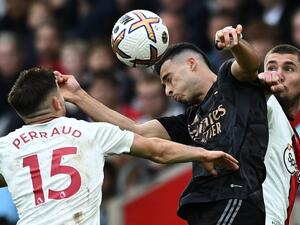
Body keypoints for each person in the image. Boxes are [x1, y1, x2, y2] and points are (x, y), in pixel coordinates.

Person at [56, 24, 268, 225]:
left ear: (191, 64)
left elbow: (249, 66)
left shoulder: (230, 83)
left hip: (236, 196)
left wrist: (236, 44)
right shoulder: (190, 119)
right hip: (203, 206)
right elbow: (134, 130)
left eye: (169, 78)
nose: (167, 91)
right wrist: (78, 96)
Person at [0, 67, 238, 225]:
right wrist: (200, 153)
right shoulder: (89, 132)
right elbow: (158, 150)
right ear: (56, 101)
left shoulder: (7, 148)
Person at [257, 44, 300, 225]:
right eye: (271, 68)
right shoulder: (259, 106)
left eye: (288, 68)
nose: (277, 75)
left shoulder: (293, 138)